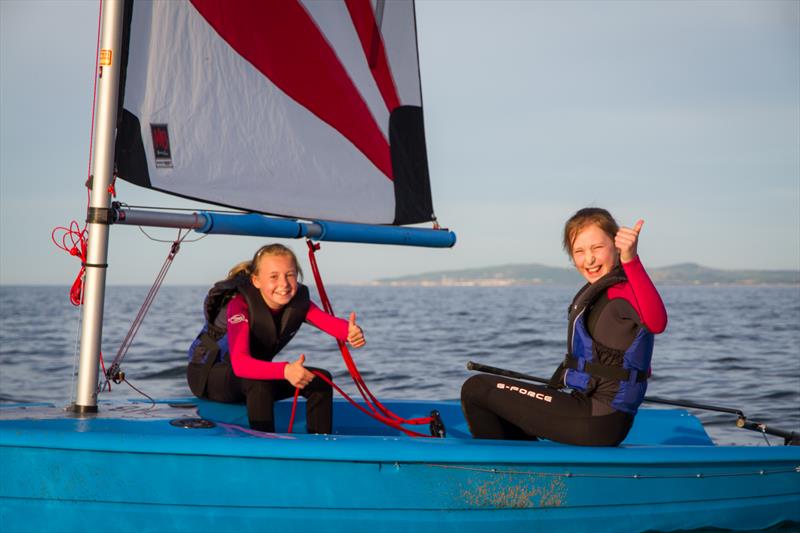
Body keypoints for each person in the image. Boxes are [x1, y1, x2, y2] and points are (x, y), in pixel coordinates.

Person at [460, 207, 667, 446]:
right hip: (594, 412)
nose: (589, 259)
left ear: (616, 245)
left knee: (476, 389)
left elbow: (657, 321)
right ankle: (527, 464)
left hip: (599, 418)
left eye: (597, 248)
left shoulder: (624, 292)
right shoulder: (601, 292)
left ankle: (509, 471)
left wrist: (632, 259)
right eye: (579, 251)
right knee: (501, 398)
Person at [187, 243, 366, 434]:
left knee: (320, 380)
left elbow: (333, 325)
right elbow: (240, 364)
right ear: (256, 280)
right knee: (259, 382)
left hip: (250, 379)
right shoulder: (238, 305)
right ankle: (265, 447)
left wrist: (351, 332)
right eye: (274, 277)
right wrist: (285, 370)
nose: (284, 284)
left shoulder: (297, 302)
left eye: (290, 275)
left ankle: (319, 445)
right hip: (210, 377)